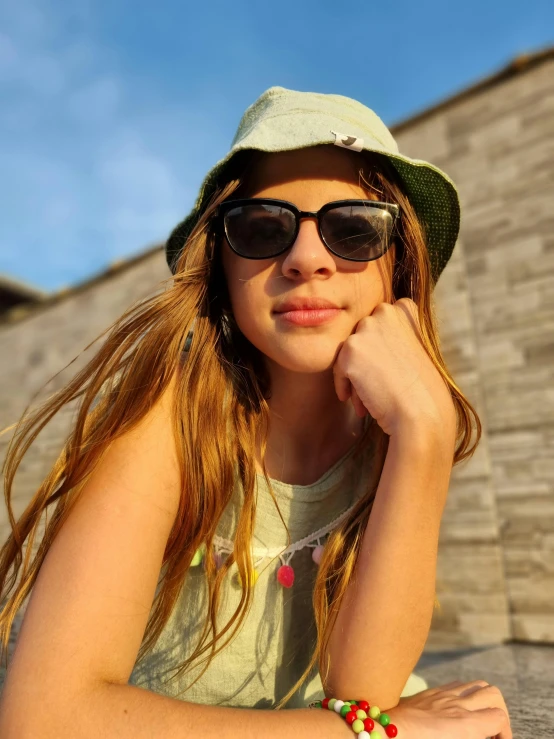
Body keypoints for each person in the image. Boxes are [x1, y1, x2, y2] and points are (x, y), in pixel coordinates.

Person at [0, 86, 512, 738]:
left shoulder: (387, 430)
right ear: (221, 263)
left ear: (400, 264)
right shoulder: (169, 424)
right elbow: (44, 718)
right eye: (261, 228)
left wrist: (427, 432)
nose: (305, 258)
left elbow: (364, 688)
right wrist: (379, 733)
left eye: (354, 228)